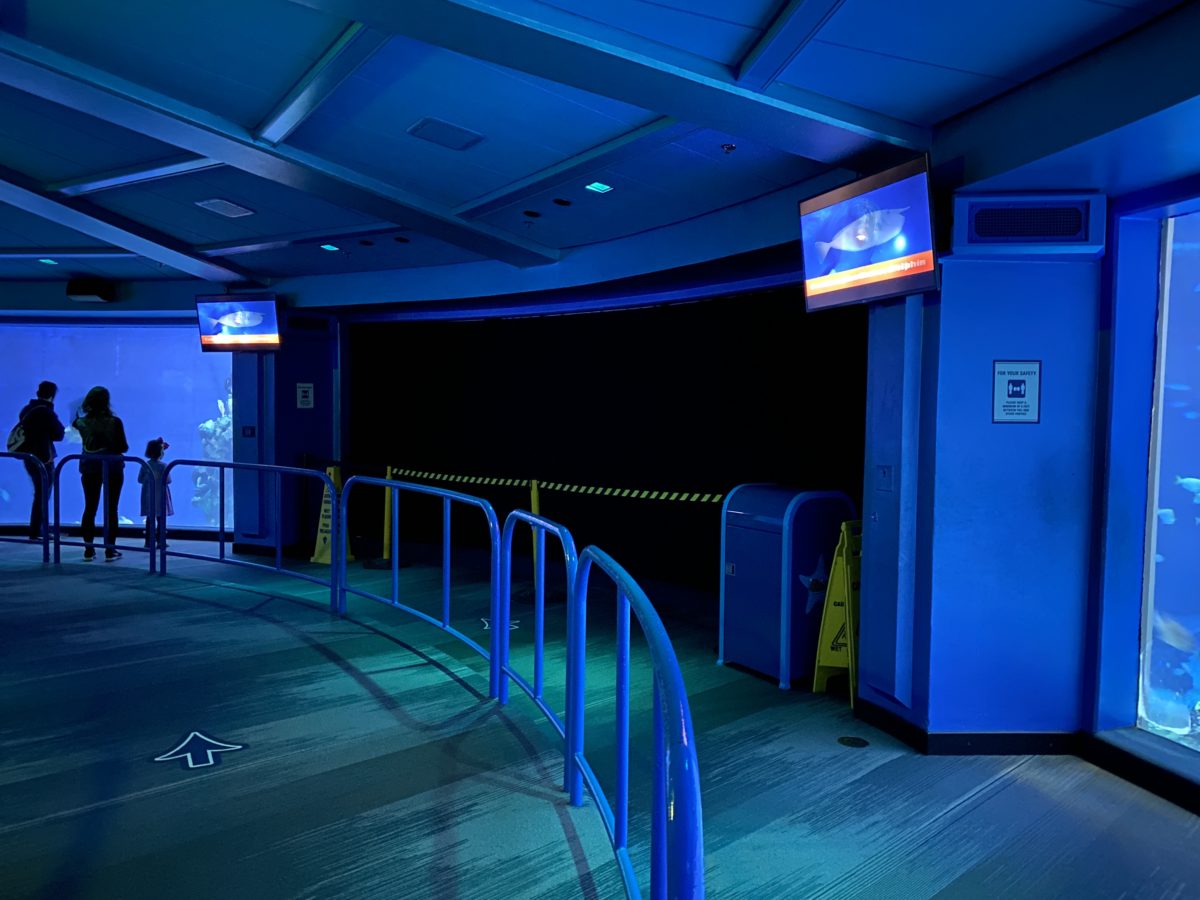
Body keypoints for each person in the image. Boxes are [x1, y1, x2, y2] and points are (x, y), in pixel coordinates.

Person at [73, 386, 129, 561]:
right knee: (112, 509)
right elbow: (123, 447)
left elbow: (74, 422)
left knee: (90, 507)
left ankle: (88, 549)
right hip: (113, 468)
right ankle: (110, 549)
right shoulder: (115, 422)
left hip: (89, 468)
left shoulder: (81, 423)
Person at [15, 381, 65, 541]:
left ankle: (38, 529)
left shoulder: (26, 410)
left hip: (28, 456)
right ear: (52, 395)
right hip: (44, 458)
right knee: (43, 494)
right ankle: (37, 531)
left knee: (40, 493)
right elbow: (59, 434)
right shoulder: (46, 412)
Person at [138, 437, 173, 548]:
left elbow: (139, 479)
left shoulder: (145, 465)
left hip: (148, 496)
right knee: (161, 520)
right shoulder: (164, 466)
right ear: (161, 452)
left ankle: (148, 542)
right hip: (161, 496)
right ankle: (161, 541)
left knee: (150, 519)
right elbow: (168, 480)